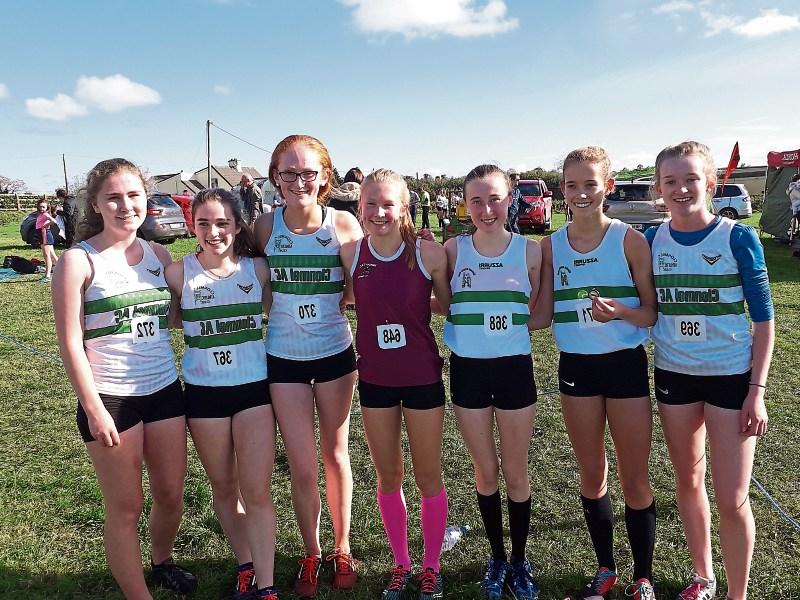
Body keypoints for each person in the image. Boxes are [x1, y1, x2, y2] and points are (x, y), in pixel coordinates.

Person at [52, 158, 197, 599]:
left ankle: (161, 560)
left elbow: (175, 317)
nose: (126, 205)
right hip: (111, 398)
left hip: (164, 390)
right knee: (126, 506)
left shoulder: (158, 255)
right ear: (95, 204)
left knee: (171, 494)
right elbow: (70, 342)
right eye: (113, 197)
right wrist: (94, 409)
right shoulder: (78, 261)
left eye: (134, 195)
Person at [647, 141, 774, 600]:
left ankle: (737, 594)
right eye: (670, 181)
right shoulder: (650, 239)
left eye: (691, 179)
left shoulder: (737, 237)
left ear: (711, 183)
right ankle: (703, 578)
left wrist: (756, 390)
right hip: (674, 375)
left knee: (732, 499)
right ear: (659, 189)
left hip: (731, 378)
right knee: (688, 481)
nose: (681, 189)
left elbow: (764, 321)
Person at [532, 147, 657, 600]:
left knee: (634, 477)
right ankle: (606, 569)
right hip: (577, 369)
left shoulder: (630, 240)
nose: (581, 193)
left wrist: (619, 311)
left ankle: (643, 576)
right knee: (592, 472)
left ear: (608, 186)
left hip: (625, 367)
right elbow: (541, 314)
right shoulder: (550, 246)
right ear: (562, 190)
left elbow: (650, 314)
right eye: (572, 185)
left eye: (590, 184)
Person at [254, 134, 363, 599]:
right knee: (301, 465)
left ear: (324, 177)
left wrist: (343, 300)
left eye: (308, 173)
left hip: (335, 355)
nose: (299, 181)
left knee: (335, 455)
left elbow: (361, 282)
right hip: (284, 358)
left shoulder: (343, 223)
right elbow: (250, 280)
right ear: (275, 177)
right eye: (289, 173)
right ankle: (312, 551)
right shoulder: (264, 226)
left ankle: (342, 546)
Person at [340, 169, 451, 600]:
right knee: (388, 477)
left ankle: (431, 566)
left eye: (388, 204)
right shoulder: (350, 253)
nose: (379, 212)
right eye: (371, 204)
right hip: (375, 380)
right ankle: (401, 563)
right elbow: (342, 298)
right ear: (360, 207)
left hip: (421, 377)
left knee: (427, 475)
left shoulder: (428, 253)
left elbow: (449, 305)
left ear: (404, 206)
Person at [164, 189, 278, 600]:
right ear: (192, 226)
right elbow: (171, 320)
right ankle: (246, 564)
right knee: (224, 488)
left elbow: (274, 311)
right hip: (203, 395)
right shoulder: (177, 274)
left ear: (237, 225)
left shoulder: (258, 269)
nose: (213, 232)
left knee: (257, 491)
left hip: (252, 391)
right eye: (204, 224)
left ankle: (266, 586)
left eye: (223, 223)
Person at [443, 164, 542, 600]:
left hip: (514, 369)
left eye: (494, 199)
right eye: (476, 201)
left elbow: (539, 312)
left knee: (516, 473)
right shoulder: (451, 250)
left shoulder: (531, 251)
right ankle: (497, 557)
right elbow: (437, 298)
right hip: (468, 371)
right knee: (486, 472)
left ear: (510, 198)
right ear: (465, 205)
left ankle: (519, 561)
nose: (486, 210)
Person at [34, 199, 59, 282]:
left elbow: (54, 221)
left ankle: (47, 276)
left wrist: (47, 224)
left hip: (45, 235)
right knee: (52, 256)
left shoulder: (45, 214)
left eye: (43, 207)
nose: (41, 208)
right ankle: (64, 270)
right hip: (43, 235)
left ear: (47, 207)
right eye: (40, 207)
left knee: (47, 256)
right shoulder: (41, 214)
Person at [506, 168, 522, 233]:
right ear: (511, 180)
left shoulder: (517, 191)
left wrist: (531, 205)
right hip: (508, 216)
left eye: (519, 180)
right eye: (517, 180)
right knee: (514, 232)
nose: (518, 181)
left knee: (515, 232)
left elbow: (522, 201)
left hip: (515, 216)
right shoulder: (506, 190)